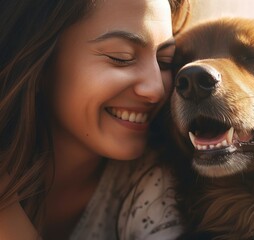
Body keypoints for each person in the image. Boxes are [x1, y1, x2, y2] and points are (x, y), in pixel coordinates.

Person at [0, 0, 190, 239]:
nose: (156, 90)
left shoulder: (154, 183)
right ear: (39, 62)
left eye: (164, 62)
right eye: (121, 57)